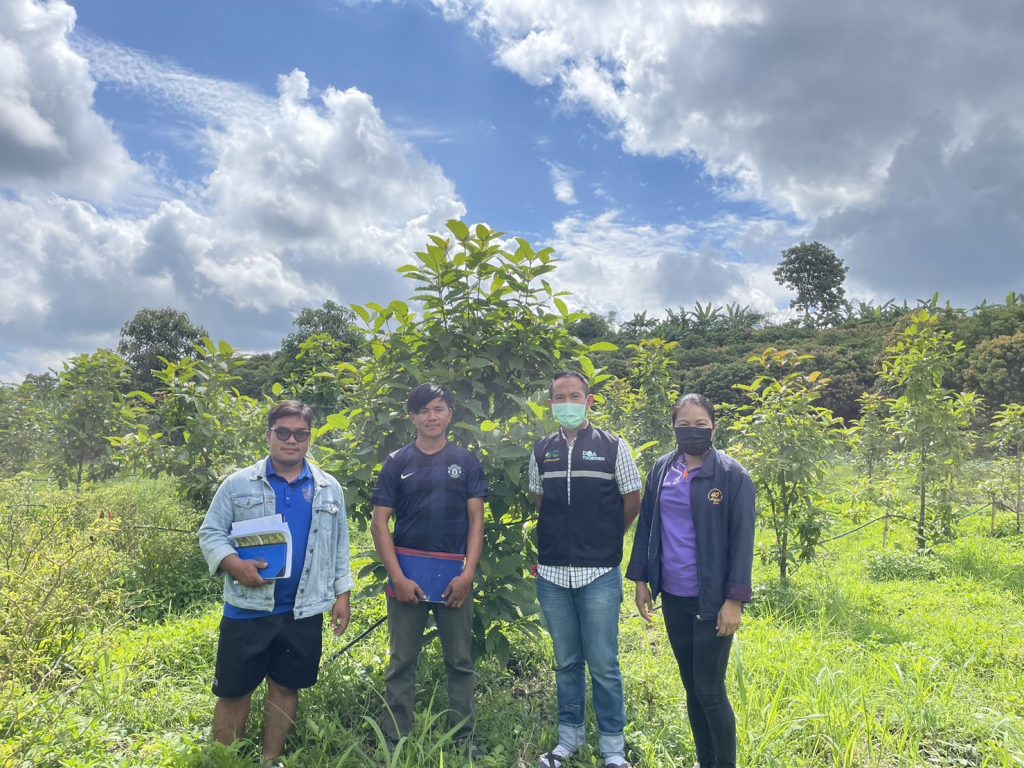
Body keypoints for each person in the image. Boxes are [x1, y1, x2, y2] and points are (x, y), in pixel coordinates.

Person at [198, 400, 353, 766]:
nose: (291, 440)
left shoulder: (328, 488)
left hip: (303, 608)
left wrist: (342, 594)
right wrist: (234, 563)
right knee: (234, 689)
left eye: (300, 434)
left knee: (286, 685)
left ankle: (272, 759)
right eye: (283, 432)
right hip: (248, 607)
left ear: (309, 438)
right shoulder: (238, 484)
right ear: (268, 435)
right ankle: (226, 761)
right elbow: (211, 533)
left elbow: (339, 545)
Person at [626, 393, 756, 768]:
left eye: (701, 424)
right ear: (673, 428)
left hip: (713, 600)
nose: (692, 431)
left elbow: (742, 540)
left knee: (710, 689)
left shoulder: (732, 476)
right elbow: (648, 526)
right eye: (684, 425)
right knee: (692, 687)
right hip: (675, 597)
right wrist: (641, 579)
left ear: (714, 426)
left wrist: (734, 600)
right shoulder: (662, 469)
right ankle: (705, 760)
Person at [531, 371, 642, 768]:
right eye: (560, 397)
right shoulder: (542, 450)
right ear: (550, 404)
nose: (568, 403)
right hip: (552, 575)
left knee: (604, 665)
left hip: (599, 575)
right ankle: (569, 740)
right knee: (566, 663)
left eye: (574, 396)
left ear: (589, 401)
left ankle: (613, 749)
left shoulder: (613, 446)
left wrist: (607, 536)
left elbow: (633, 499)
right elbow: (542, 503)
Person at [370, 383, 487, 755]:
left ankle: (463, 738)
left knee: (460, 660)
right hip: (407, 576)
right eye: (423, 410)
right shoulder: (397, 462)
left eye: (438, 409)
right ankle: (394, 739)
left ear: (450, 414)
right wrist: (398, 578)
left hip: (454, 577)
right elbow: (379, 524)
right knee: (402, 660)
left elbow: (477, 521)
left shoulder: (466, 462)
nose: (431, 417)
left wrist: (468, 575)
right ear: (412, 417)